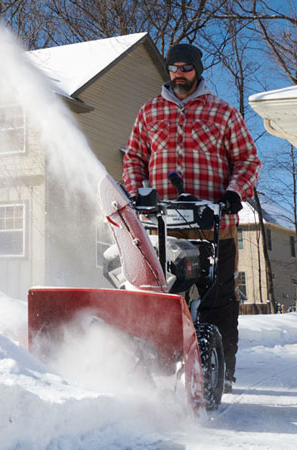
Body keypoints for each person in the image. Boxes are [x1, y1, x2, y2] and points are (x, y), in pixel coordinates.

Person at [122, 43, 261, 393]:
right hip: (163, 226)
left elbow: (247, 161)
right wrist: (138, 190)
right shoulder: (150, 112)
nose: (179, 74)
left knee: (219, 300)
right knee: (165, 298)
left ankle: (220, 372)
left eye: (185, 67)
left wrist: (234, 193)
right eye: (173, 68)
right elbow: (134, 157)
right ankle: (162, 367)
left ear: (197, 69)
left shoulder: (223, 112)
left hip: (215, 224)